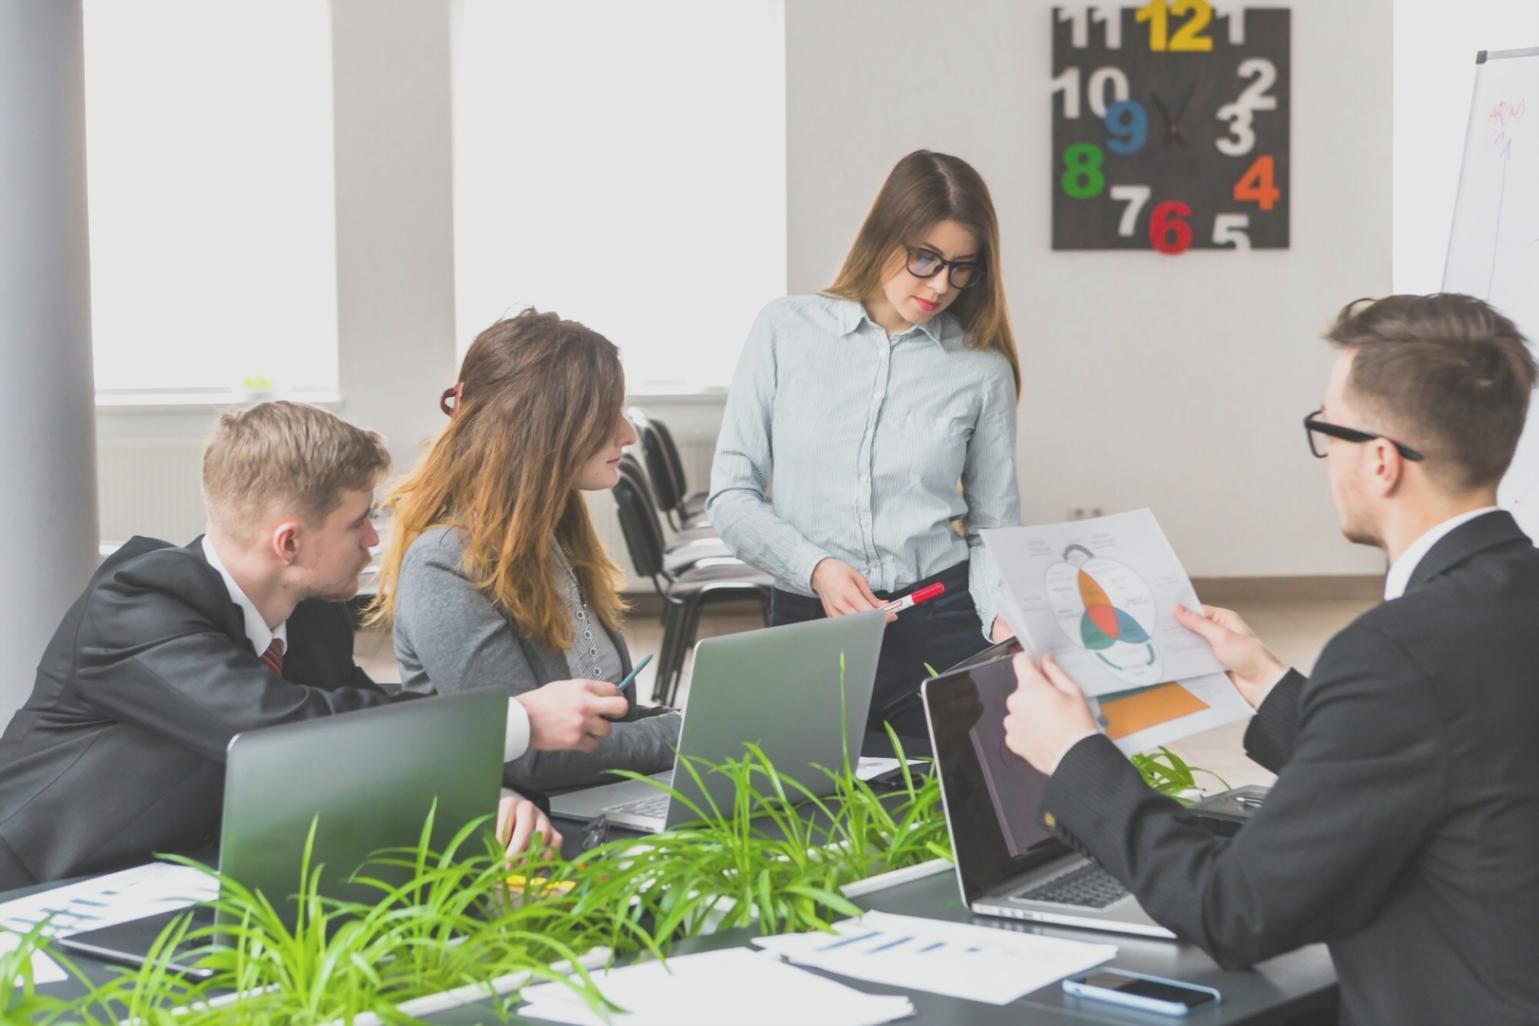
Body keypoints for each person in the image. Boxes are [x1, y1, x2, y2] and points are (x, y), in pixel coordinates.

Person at [1003, 294, 1539, 1025]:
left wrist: (1073, 755)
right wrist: (1268, 683)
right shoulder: (1507, 595)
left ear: (1380, 462)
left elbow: (1233, 911)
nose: (1325, 456)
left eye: (1327, 430)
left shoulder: (1392, 652)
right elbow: (1444, 766)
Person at [0, 402, 616, 888]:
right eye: (357, 522)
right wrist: (516, 719)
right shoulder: (136, 605)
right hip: (42, 889)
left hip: (184, 872)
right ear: (288, 542)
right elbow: (289, 730)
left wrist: (491, 794)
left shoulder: (312, 610)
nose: (374, 540)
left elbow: (357, 709)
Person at [708, 149, 1022, 742]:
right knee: (808, 814)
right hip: (811, 620)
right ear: (884, 235)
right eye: (925, 259)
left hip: (941, 618)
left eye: (962, 268)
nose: (939, 285)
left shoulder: (982, 369)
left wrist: (1005, 619)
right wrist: (817, 568)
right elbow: (731, 494)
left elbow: (995, 529)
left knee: (950, 815)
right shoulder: (784, 329)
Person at [374, 310, 680, 793]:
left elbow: (606, 715)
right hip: (528, 832)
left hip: (598, 796)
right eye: (608, 414)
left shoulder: (555, 533)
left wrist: (698, 722)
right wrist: (683, 734)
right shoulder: (444, 563)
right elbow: (534, 759)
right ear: (545, 427)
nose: (627, 433)